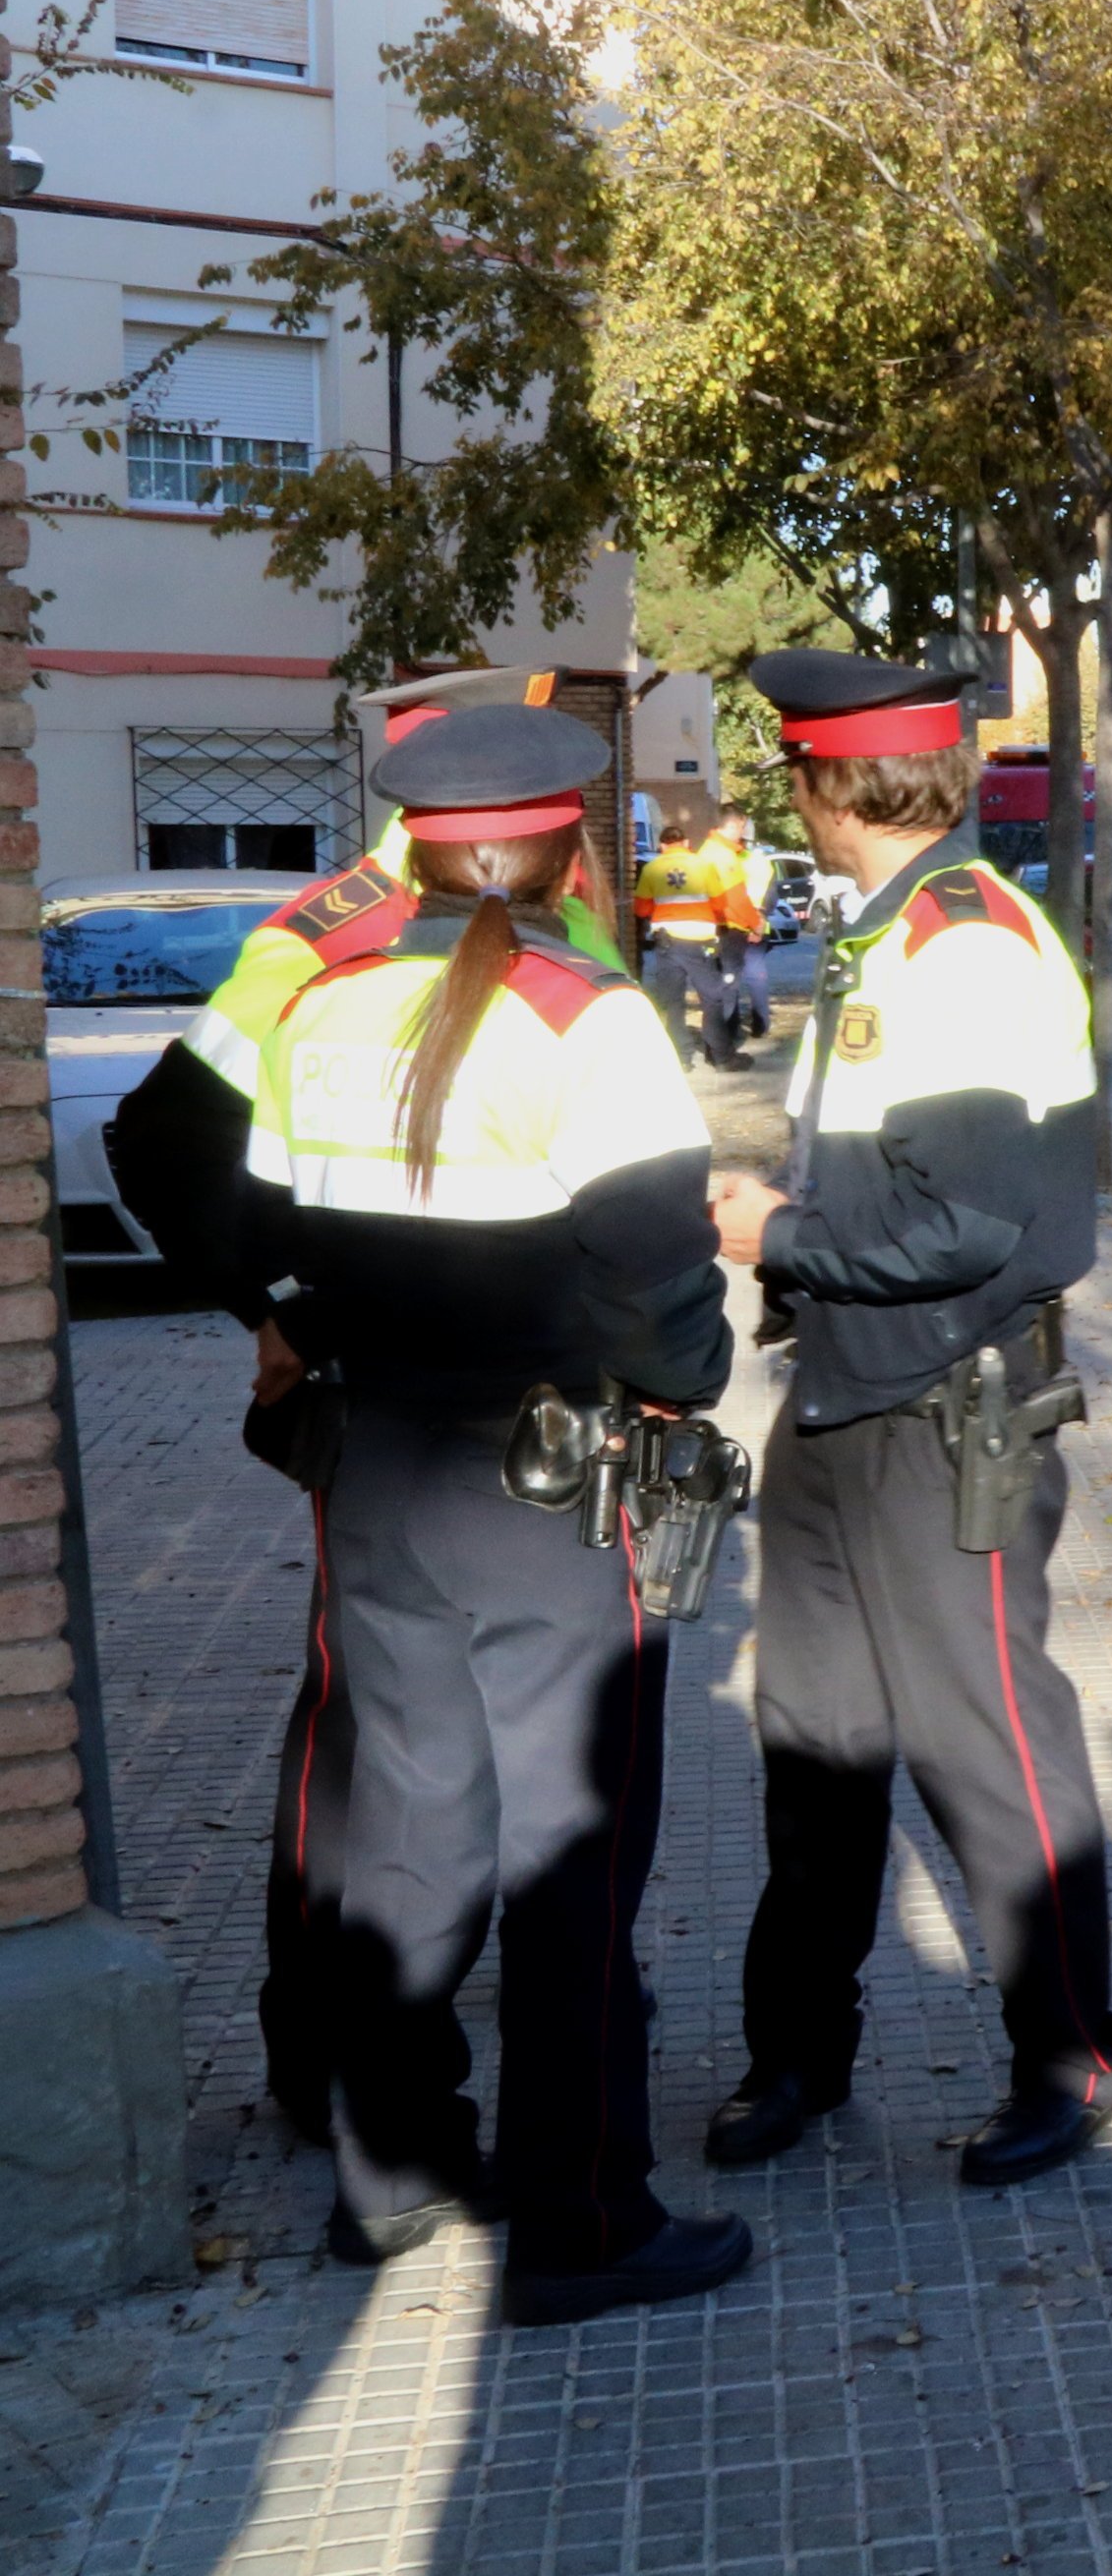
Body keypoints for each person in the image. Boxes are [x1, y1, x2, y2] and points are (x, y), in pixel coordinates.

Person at [123, 699, 751, 2322]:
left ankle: (390, 2172)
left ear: (414, 834)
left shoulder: (326, 995)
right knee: (570, 1853)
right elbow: (664, 1302)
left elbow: (252, 1207)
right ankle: (581, 2218)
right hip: (549, 1492)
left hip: (378, 1476)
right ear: (563, 838)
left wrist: (297, 1316)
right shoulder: (586, 1011)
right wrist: (686, 1394)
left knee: (398, 1833)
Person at [102, 664, 625, 2158]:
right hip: (398, 1406)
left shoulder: (555, 923)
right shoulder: (319, 941)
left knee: (494, 1747)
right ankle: (325, 2050)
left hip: (522, 1410)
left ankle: (552, 2043)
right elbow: (160, 1140)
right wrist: (270, 1312)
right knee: (360, 1746)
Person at [700, 651, 1112, 2190]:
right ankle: (798, 2052)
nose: (791, 805)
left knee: (985, 1738)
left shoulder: (962, 946)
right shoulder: (886, 935)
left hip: (946, 1406)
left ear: (838, 785)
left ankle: (1075, 2046)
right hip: (846, 1388)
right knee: (816, 1737)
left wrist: (777, 1236)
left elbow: (966, 1222)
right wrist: (796, 1255)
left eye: (793, 779)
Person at [635, 818, 747, 1068]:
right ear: (686, 843)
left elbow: (641, 909)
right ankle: (722, 1057)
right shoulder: (703, 866)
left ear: (662, 846)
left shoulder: (652, 869)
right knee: (712, 998)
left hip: (667, 943)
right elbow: (720, 903)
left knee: (673, 1002)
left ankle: (681, 1058)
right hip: (699, 942)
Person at [704, 805, 776, 1041]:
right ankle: (752, 1027)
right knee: (744, 979)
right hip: (737, 926)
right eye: (741, 827)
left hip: (721, 927)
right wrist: (757, 921)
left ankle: (727, 1034)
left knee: (722, 983)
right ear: (735, 826)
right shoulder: (733, 858)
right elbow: (743, 897)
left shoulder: (707, 852)